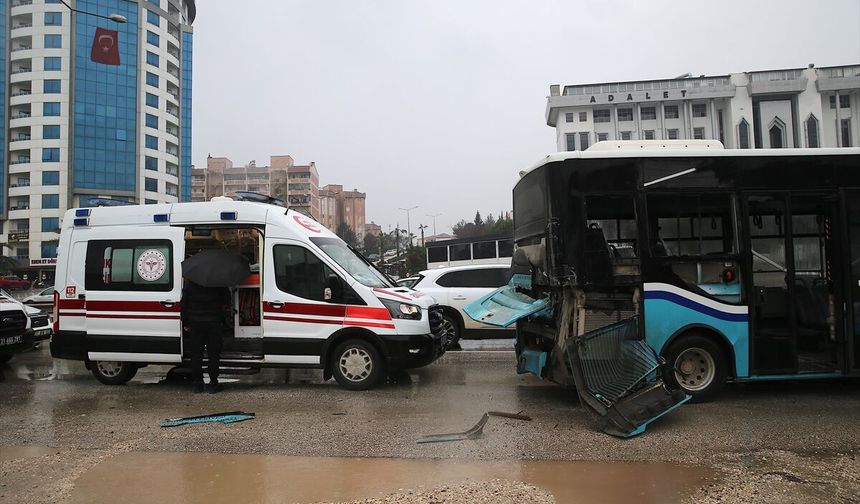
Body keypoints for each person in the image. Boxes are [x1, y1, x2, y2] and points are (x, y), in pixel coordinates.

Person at [182, 280, 230, 393]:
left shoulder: (190, 283)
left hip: (195, 323)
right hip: (214, 322)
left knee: (196, 355)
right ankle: (213, 384)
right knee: (213, 354)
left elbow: (184, 304)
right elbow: (227, 300)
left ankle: (198, 385)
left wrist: (185, 322)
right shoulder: (218, 282)